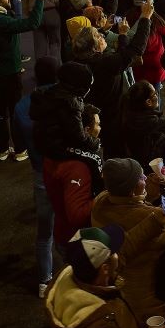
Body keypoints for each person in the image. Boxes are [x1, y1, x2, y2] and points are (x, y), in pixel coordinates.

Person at [91, 158, 165, 324]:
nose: (145, 177)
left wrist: (151, 185)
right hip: (151, 298)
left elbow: (128, 202)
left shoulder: (101, 202)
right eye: (141, 177)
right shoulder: (148, 219)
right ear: (132, 189)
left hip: (125, 291)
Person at [45, 225, 165, 328]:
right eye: (113, 252)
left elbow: (126, 249)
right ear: (105, 268)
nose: (118, 254)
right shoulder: (103, 325)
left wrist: (156, 221)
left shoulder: (80, 273)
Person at [72, 2, 153, 157]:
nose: (102, 36)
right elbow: (135, 51)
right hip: (113, 118)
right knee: (116, 152)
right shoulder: (104, 63)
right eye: (99, 36)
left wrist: (118, 34)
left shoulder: (78, 60)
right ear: (95, 47)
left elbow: (121, 57)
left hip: (97, 114)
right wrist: (145, 18)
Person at [0, 0, 45, 160]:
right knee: (16, 110)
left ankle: (2, 148)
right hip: (10, 71)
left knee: (0, 110)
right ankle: (20, 149)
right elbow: (32, 23)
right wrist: (39, 1)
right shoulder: (2, 21)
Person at [12, 56, 61, 298]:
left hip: (41, 172)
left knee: (44, 233)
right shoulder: (64, 100)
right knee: (73, 224)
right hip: (66, 169)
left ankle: (44, 280)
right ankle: (79, 276)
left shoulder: (22, 106)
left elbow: (19, 144)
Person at [43, 103, 104, 247]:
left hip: (62, 229)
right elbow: (77, 215)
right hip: (79, 240)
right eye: (97, 124)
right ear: (86, 130)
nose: (100, 128)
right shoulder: (78, 167)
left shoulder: (56, 152)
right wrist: (105, 195)